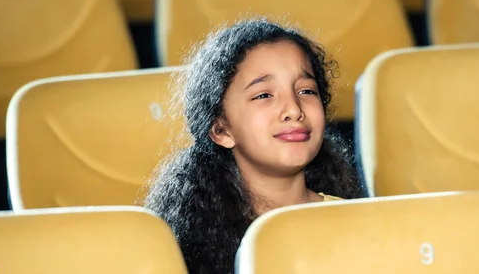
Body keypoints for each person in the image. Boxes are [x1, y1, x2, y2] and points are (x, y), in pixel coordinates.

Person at [143, 18, 365, 273]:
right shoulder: (186, 248)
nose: (293, 109)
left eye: (306, 91)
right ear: (221, 130)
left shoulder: (355, 219)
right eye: (263, 95)